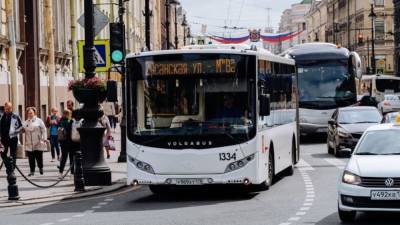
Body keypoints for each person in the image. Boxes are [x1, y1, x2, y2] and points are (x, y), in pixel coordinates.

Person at [23, 107, 47, 176]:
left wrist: (44, 138)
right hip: (29, 143)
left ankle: (40, 167)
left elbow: (44, 129)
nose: (30, 114)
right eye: (29, 113)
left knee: (39, 157)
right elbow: (22, 129)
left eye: (31, 113)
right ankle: (32, 171)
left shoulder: (39, 121)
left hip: (38, 142)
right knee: (31, 158)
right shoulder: (26, 122)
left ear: (34, 113)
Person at [58, 109, 74, 178]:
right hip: (70, 141)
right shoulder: (70, 121)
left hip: (62, 141)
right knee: (71, 157)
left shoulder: (61, 121)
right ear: (69, 114)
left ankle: (60, 173)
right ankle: (72, 173)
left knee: (64, 157)